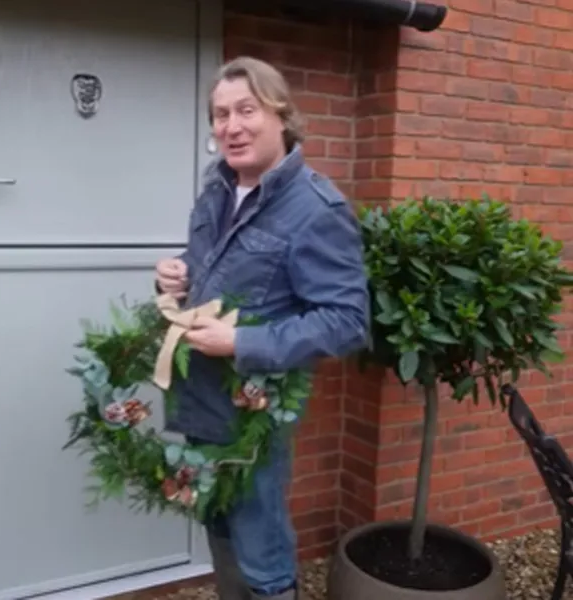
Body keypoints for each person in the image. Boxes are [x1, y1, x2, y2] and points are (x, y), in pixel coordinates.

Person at [154, 56, 370, 600]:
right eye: (221, 114)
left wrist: (243, 343)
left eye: (246, 110)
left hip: (254, 415)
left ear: (281, 116)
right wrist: (175, 276)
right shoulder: (217, 190)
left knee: (262, 550)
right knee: (220, 525)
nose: (231, 126)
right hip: (200, 399)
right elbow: (216, 269)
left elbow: (347, 322)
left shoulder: (316, 209)